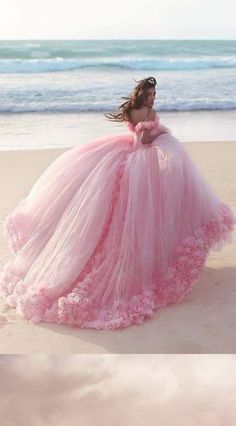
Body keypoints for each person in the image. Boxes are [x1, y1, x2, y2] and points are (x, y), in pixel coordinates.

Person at [0, 77, 234, 330]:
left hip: (131, 155)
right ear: (142, 94)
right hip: (140, 159)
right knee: (132, 213)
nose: (154, 98)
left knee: (131, 212)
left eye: (155, 94)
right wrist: (162, 132)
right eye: (151, 94)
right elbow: (144, 142)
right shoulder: (147, 112)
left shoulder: (134, 111)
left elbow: (136, 134)